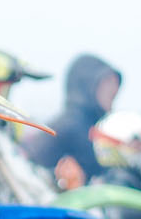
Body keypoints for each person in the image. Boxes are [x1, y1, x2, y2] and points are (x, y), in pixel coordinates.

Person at [21, 53, 121, 190]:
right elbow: (98, 171)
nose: (114, 89)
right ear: (87, 84)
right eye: (108, 81)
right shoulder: (71, 125)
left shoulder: (88, 124)